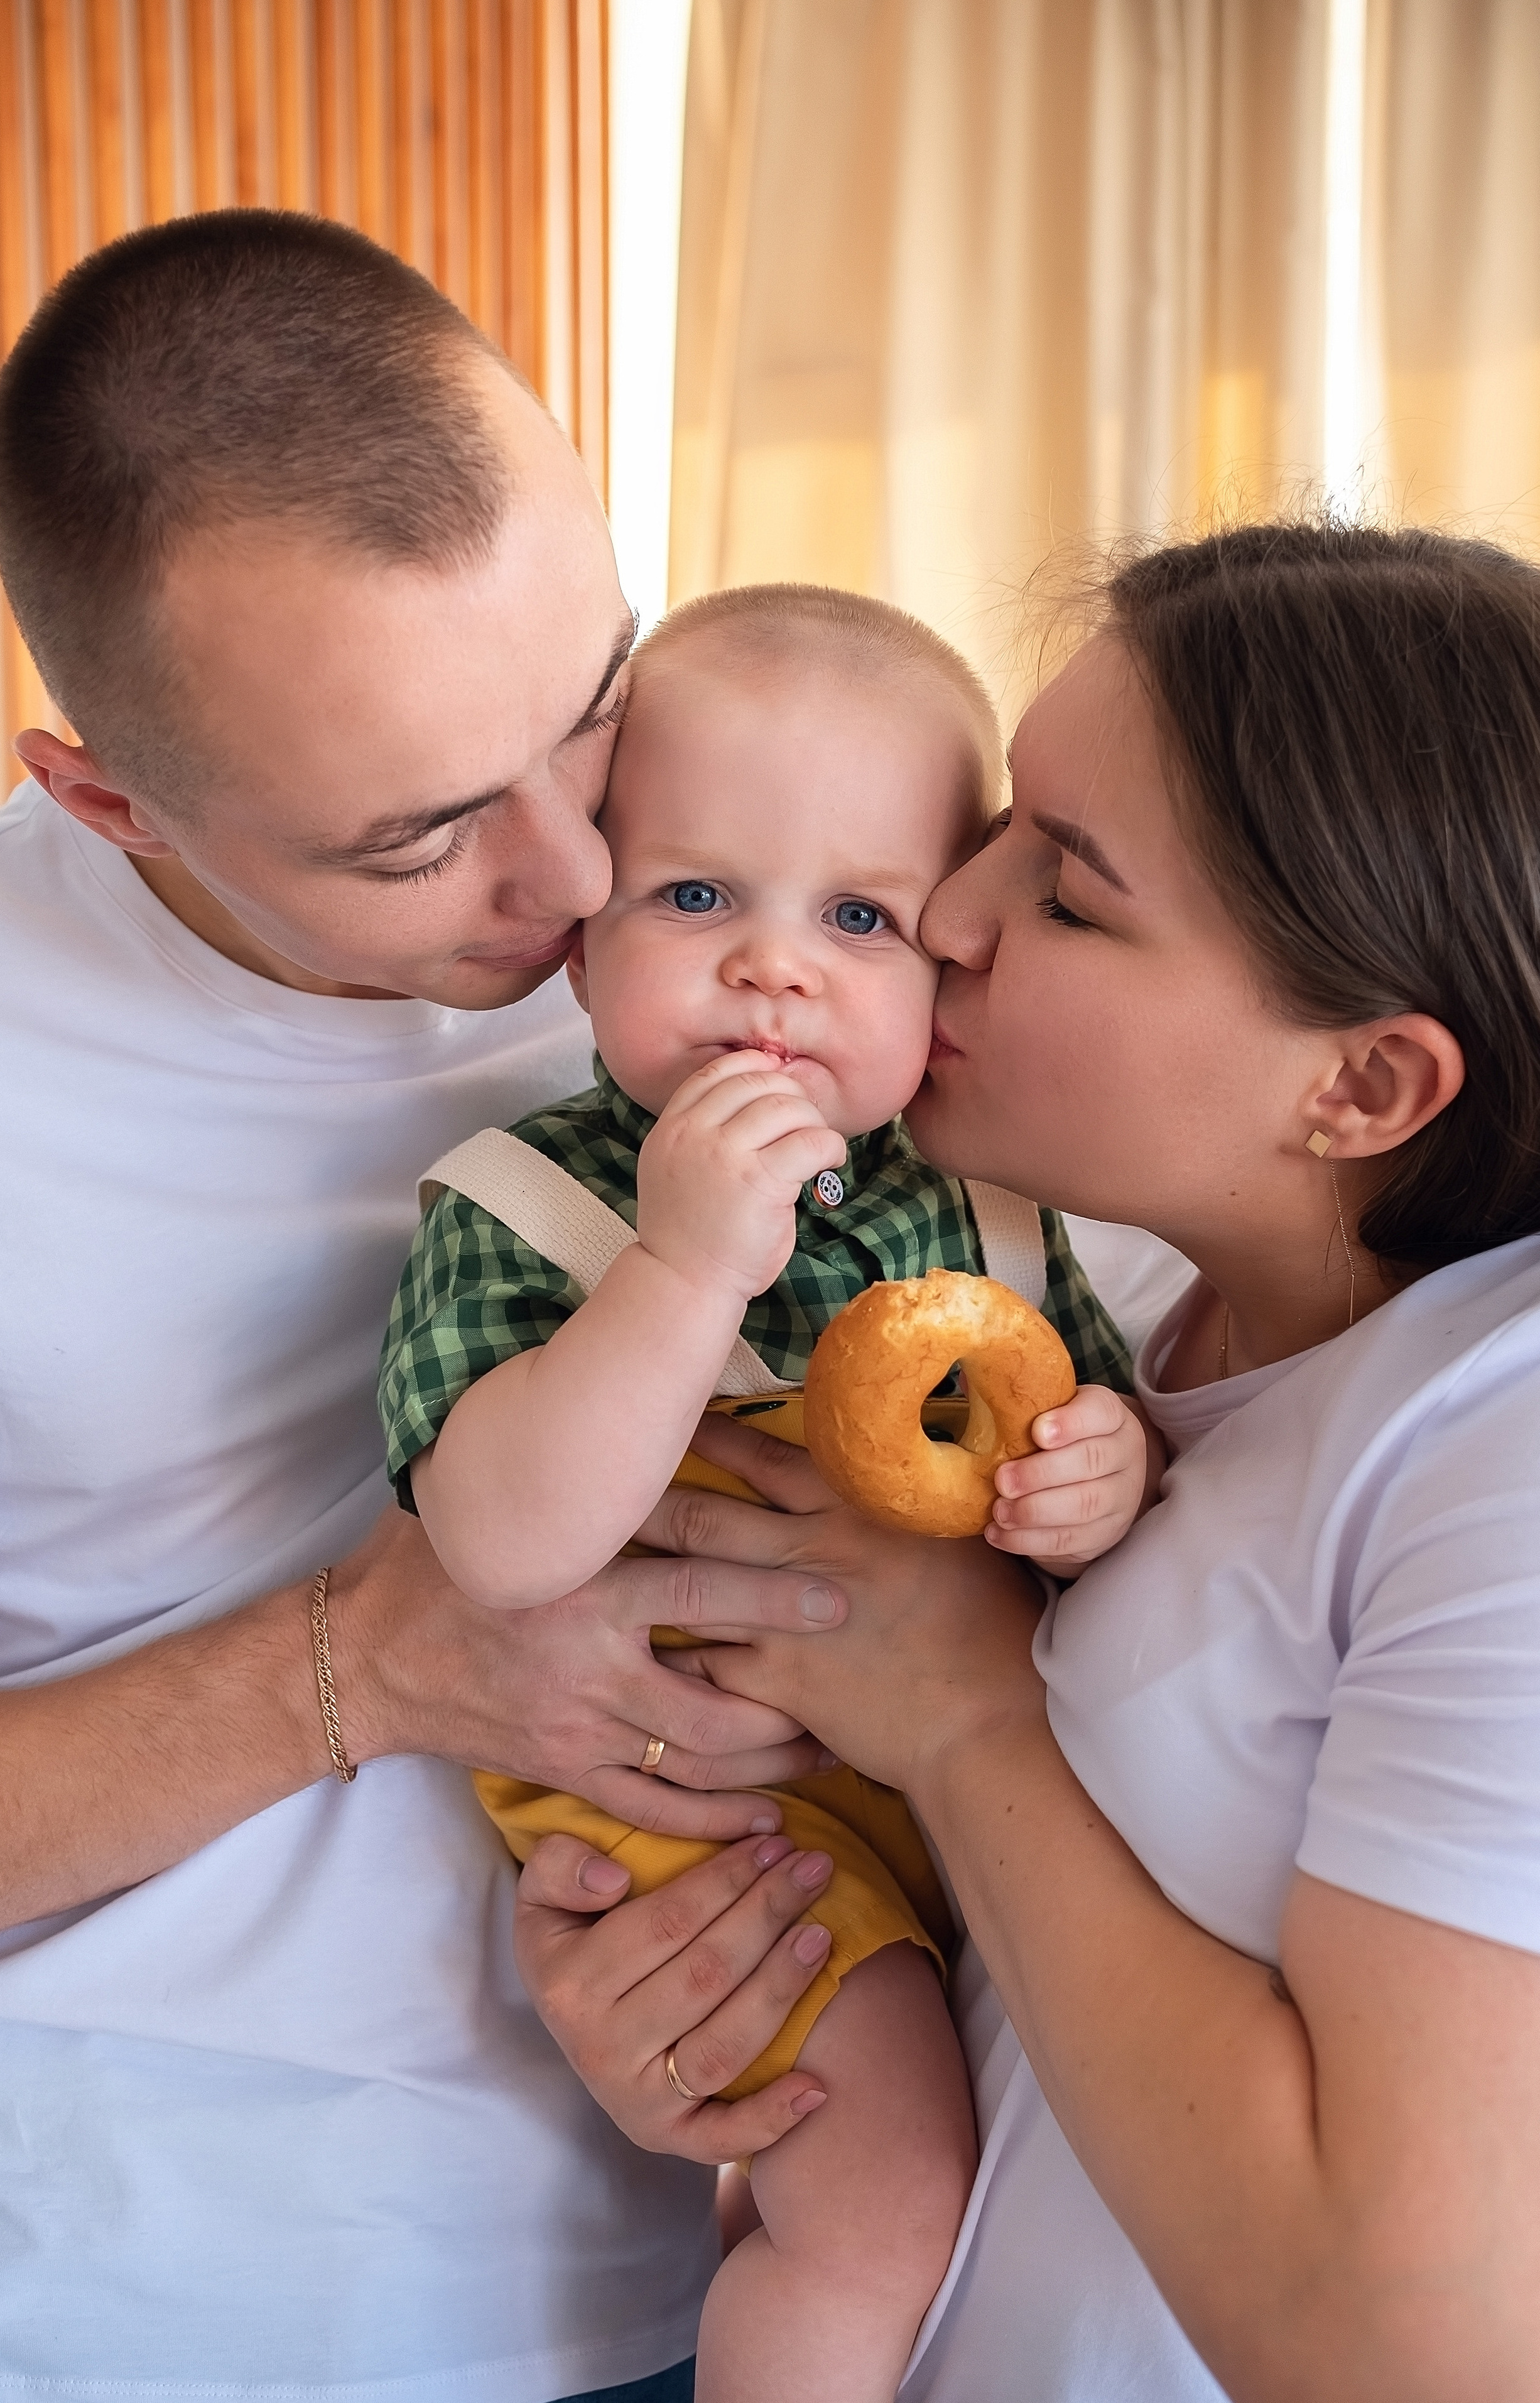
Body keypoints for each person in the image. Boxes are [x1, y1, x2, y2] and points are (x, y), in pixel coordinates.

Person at [0, 210, 867, 2402]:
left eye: (592, 704)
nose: (568, 883)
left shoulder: (735, 922)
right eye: (422, 837)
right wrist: (366, 1665)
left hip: (675, 2269)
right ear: (108, 797)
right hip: (107, 2313)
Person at [510, 521, 1540, 2401]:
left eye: (1065, 890)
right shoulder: (1103, 1301)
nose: (943, 914)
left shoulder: (1501, 1454)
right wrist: (735, 1987)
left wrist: (966, 1720)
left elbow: (1412, 2348)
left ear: (1364, 1086)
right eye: (998, 822)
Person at [378, 584, 1152, 2401]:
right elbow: (496, 1544)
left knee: (928, 2190)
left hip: (960, 1797)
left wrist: (1101, 1478)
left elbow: (1109, 1428)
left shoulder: (995, 1209)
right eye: (699, 895)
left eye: (861, 916)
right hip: (706, 1801)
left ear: (950, 964)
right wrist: (678, 1273)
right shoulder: (526, 1205)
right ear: (584, 935)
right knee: (882, 2207)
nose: (775, 966)